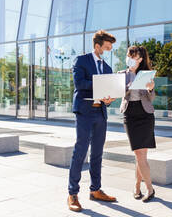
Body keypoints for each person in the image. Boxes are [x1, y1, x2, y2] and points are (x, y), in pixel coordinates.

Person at [67, 30, 117, 212]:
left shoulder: (108, 68)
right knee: (80, 153)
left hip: (100, 113)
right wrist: (101, 85)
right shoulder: (82, 61)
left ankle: (95, 190)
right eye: (106, 47)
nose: (108, 50)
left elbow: (109, 91)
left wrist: (110, 97)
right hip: (85, 113)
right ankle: (72, 193)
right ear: (97, 46)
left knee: (97, 154)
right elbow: (79, 84)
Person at [119, 45, 156, 203]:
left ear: (140, 59)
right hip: (130, 114)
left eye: (133, 56)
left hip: (145, 114)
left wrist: (150, 89)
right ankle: (147, 188)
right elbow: (116, 94)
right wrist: (126, 88)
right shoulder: (121, 75)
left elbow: (151, 98)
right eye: (129, 55)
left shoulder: (146, 75)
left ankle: (143, 188)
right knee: (138, 154)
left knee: (141, 155)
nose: (130, 58)